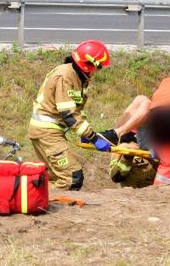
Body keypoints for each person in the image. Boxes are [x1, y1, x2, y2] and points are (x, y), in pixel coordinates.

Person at [27, 40, 124, 191]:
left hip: (50, 132)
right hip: (46, 133)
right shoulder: (65, 76)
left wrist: (85, 133)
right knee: (72, 178)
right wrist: (93, 137)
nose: (97, 72)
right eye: (98, 68)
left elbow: (77, 110)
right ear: (89, 64)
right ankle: (40, 197)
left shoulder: (78, 77)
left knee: (55, 177)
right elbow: (68, 114)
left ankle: (38, 197)